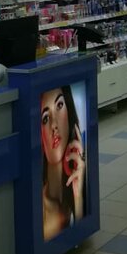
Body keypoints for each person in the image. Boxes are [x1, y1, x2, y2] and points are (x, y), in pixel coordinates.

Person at [40, 86, 85, 241]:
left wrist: (78, 198)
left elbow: (81, 240)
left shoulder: (81, 177)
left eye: (59, 105)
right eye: (45, 118)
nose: (54, 125)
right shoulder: (43, 215)